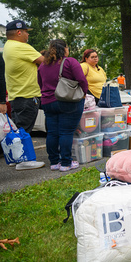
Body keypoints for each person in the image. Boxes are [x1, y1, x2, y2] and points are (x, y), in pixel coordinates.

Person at [38, 39, 88, 172]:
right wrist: (83, 93)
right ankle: (66, 163)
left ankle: (54, 162)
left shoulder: (43, 64)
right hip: (67, 101)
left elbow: (40, 82)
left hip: (47, 102)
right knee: (66, 132)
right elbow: (82, 79)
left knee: (52, 133)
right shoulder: (70, 61)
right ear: (65, 49)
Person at [2, 20, 45, 170]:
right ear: (19, 32)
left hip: (16, 94)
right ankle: (25, 161)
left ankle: (16, 157)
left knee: (19, 127)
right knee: (25, 129)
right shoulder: (21, 46)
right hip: (27, 94)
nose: (27, 34)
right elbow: (44, 62)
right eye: (26, 31)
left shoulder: (8, 47)